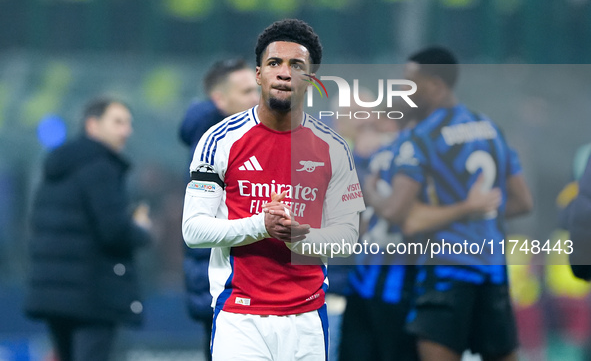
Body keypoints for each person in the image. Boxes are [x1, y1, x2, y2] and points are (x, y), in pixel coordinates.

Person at [182, 19, 365, 360]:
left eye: (296, 65)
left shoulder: (334, 148)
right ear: (258, 75)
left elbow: (348, 238)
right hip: (240, 316)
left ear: (311, 80)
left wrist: (300, 237)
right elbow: (193, 230)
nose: (284, 73)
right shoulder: (219, 140)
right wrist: (261, 226)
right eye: (274, 63)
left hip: (308, 317)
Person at [370, 47, 533, 361]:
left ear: (433, 86)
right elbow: (523, 201)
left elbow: (399, 214)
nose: (402, 92)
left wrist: (371, 191)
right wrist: (478, 213)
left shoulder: (421, 138)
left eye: (408, 84)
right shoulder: (489, 128)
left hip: (446, 272)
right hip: (493, 271)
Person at [344, 110, 502, 361]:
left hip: (364, 281)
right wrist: (467, 207)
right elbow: (410, 221)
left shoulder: (368, 156)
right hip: (399, 288)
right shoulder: (415, 156)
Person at [24, 98, 152, 361]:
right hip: (93, 293)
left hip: (54, 292)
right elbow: (114, 231)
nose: (126, 131)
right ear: (92, 125)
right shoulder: (100, 167)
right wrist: (141, 229)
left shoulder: (58, 166)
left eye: (128, 123)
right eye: (118, 122)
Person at [178, 58, 258, 361]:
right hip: (224, 277)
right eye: (246, 91)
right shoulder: (215, 142)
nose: (256, 98)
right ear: (219, 99)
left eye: (257, 90)